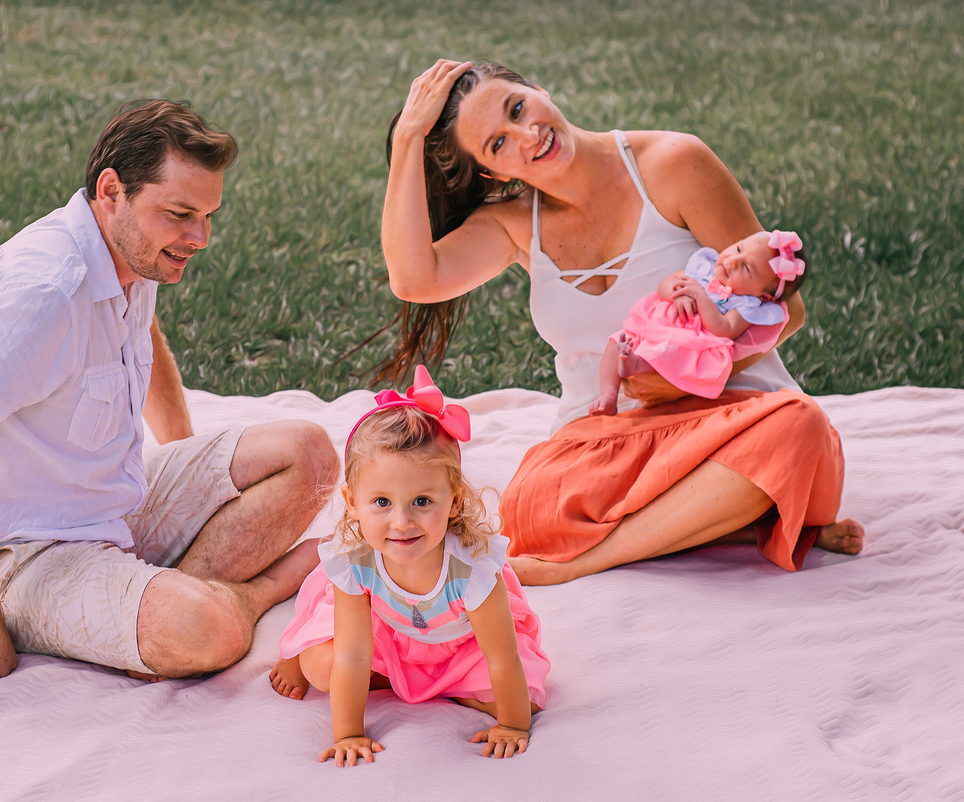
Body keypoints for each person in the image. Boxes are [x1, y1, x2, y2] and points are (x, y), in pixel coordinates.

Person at [0, 100, 339, 683]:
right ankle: (251, 595)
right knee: (207, 630)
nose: (200, 237)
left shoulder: (130, 254)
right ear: (111, 191)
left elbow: (142, 335)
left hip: (108, 509)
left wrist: (188, 465)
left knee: (310, 454)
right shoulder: (45, 292)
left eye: (208, 215)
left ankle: (171, 600)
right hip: (15, 556)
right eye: (180, 213)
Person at [379, 59, 863, 586]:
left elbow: (787, 310)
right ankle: (732, 522)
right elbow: (414, 279)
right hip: (606, 440)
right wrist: (408, 138)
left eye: (518, 108)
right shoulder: (514, 224)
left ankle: (588, 559)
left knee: (799, 429)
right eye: (498, 144)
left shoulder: (674, 163)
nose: (528, 135)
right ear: (493, 172)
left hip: (727, 419)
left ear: (538, 88)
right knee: (527, 507)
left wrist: (682, 380)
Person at [268, 366, 550, 766]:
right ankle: (341, 663)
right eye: (382, 502)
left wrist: (513, 726)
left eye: (422, 501)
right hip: (386, 634)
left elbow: (501, 656)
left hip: (459, 647)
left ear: (454, 500)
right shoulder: (356, 563)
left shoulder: (471, 571)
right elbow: (352, 654)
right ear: (353, 503)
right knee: (322, 668)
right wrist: (349, 735)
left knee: (524, 697)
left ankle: (422, 683)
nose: (401, 522)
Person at [590, 230, 807, 416]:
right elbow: (666, 283)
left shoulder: (747, 305)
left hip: (690, 341)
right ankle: (608, 395)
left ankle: (637, 363)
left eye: (747, 269)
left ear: (764, 296)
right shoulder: (704, 268)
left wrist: (700, 297)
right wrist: (677, 295)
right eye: (739, 249)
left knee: (673, 352)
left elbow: (724, 329)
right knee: (616, 341)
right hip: (655, 324)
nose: (733, 261)